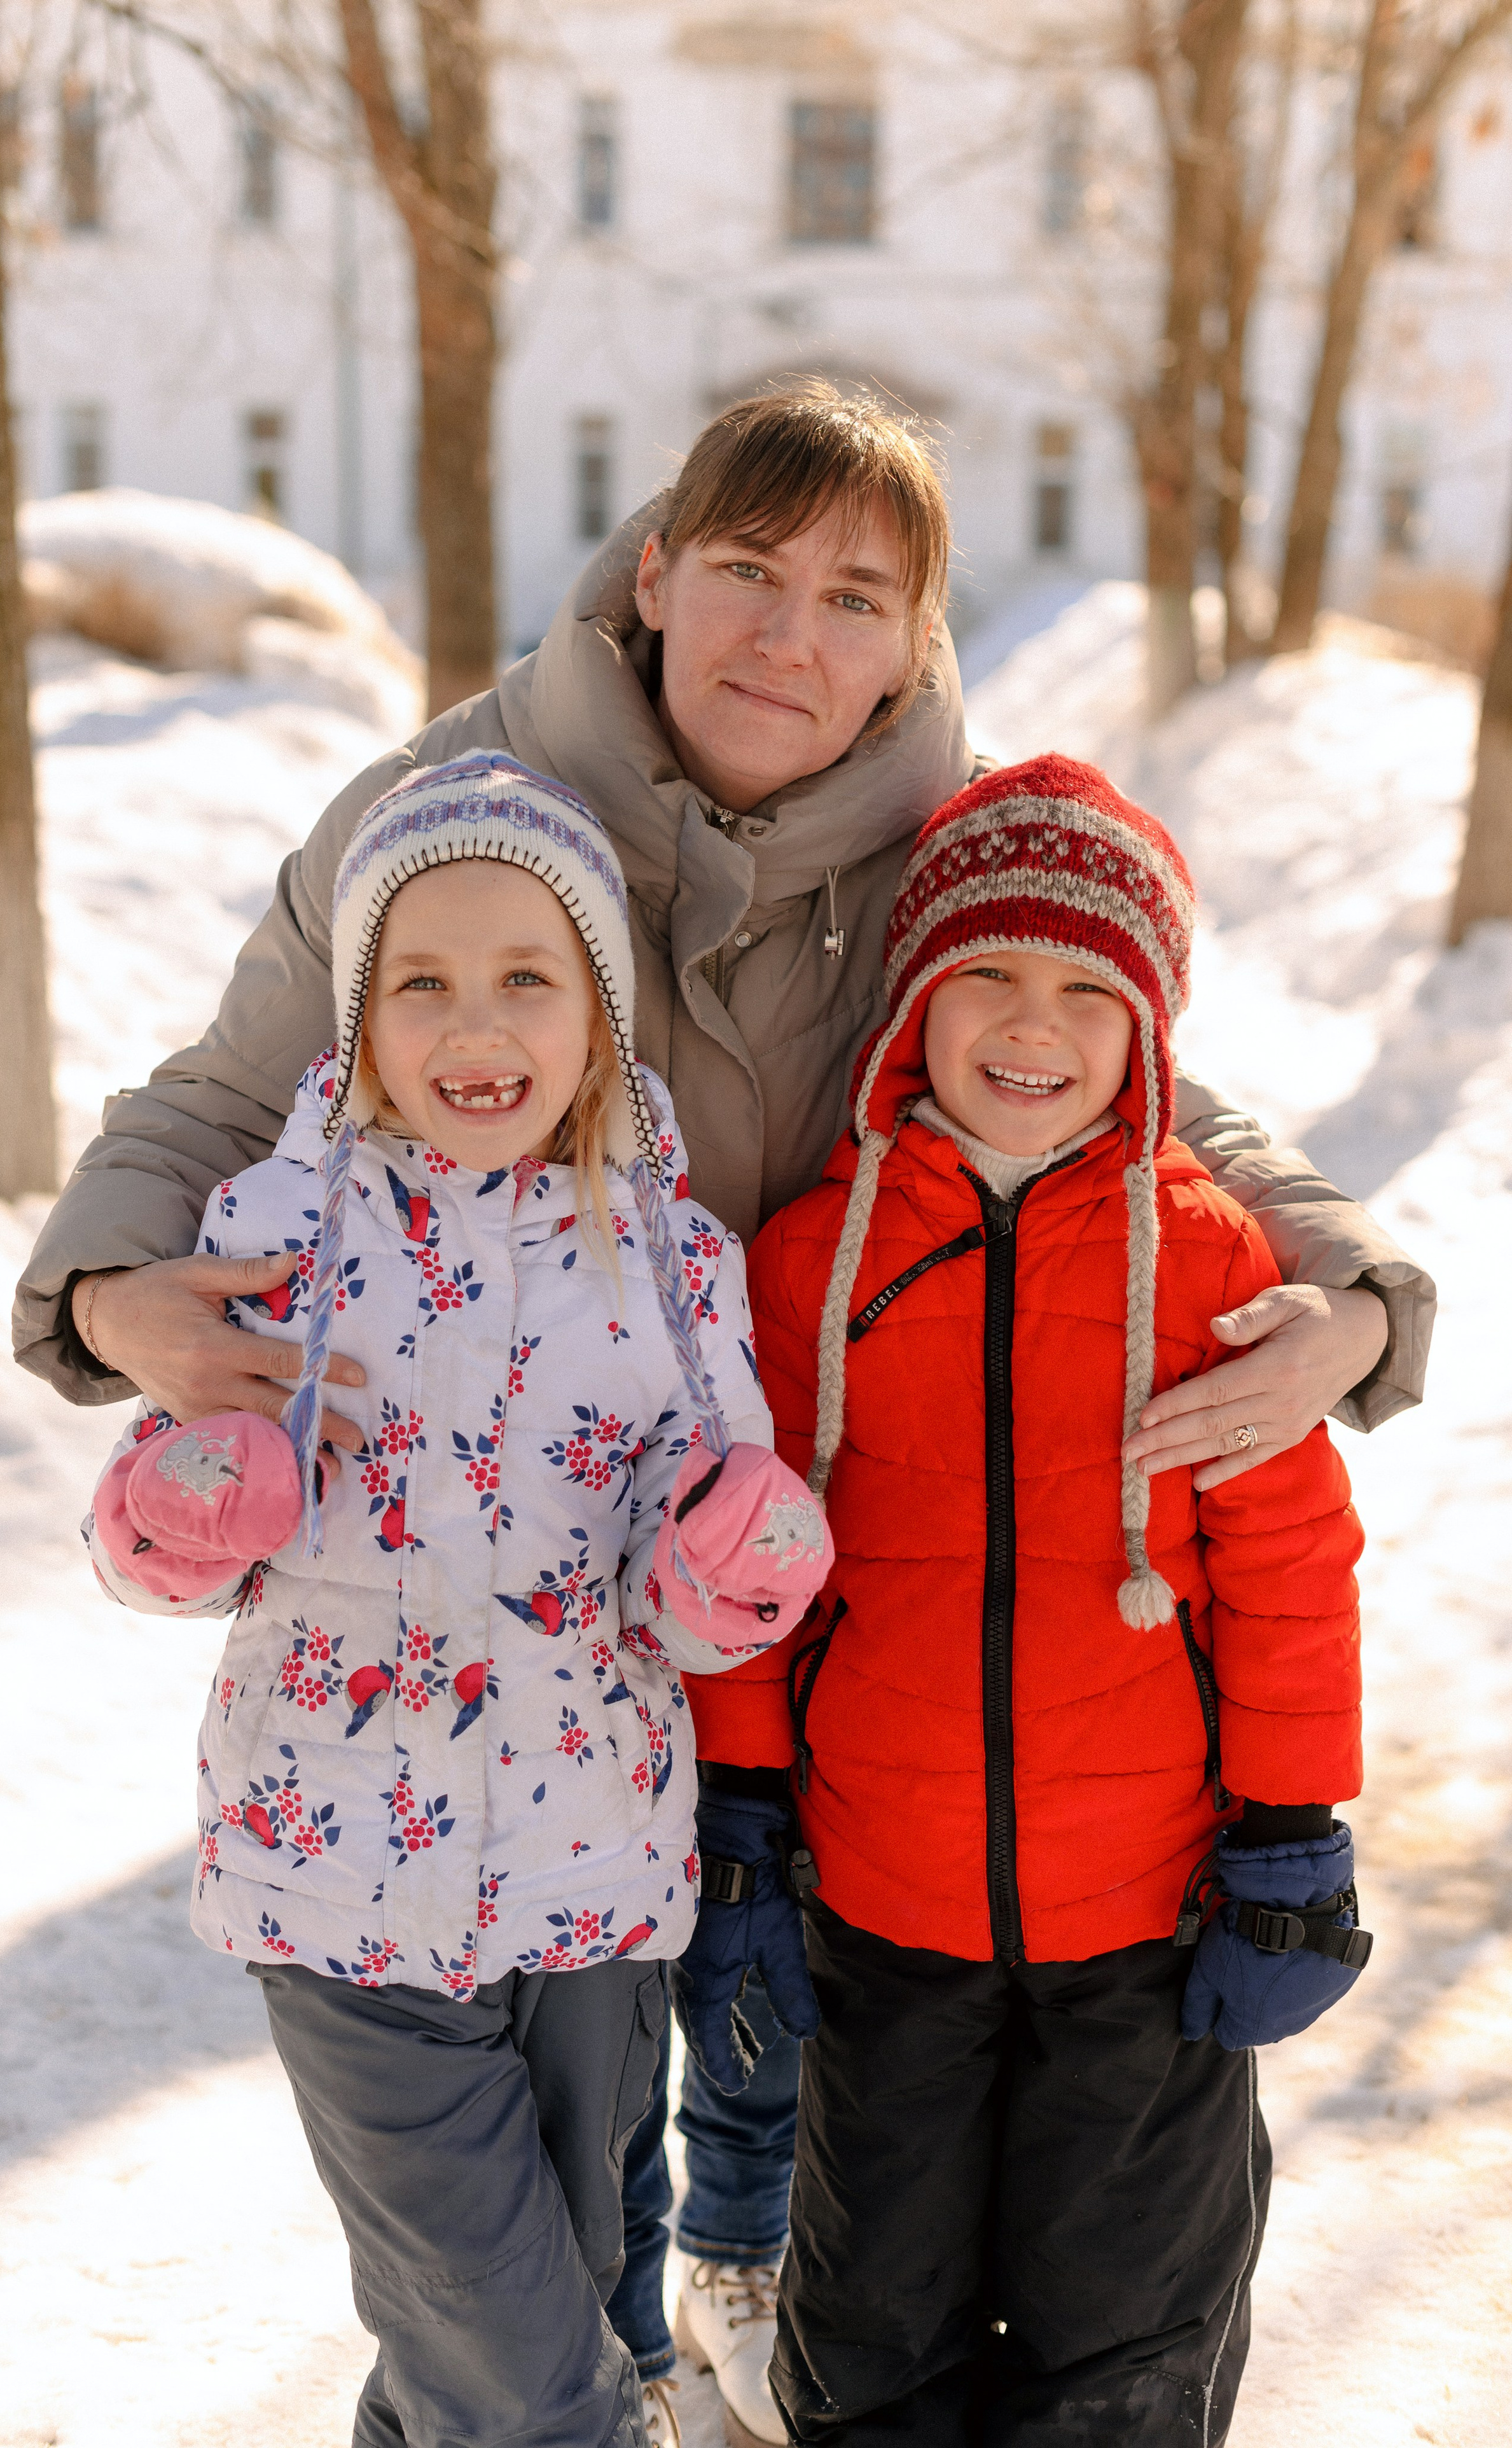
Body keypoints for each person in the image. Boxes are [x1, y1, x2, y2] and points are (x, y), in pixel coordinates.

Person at [15, 387, 1428, 2442]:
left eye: (857, 596)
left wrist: (1352, 1294)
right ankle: (589, 2374)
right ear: (659, 574)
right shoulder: (459, 815)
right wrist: (99, 1291)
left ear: (915, 639)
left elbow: (1130, 1079)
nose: (791, 635)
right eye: (752, 572)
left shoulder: (948, 843)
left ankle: (728, 2290)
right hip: (527, 1532)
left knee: (763, 2028)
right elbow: (229, 1093)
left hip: (806, 1529)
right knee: (562, 2164)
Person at [83, 754, 833, 2448]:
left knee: (507, 2319)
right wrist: (186, 1506)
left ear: (600, 1014)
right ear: (359, 1019)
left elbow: (694, 1560)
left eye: (524, 979)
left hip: (592, 1874)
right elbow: (145, 1543)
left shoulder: (674, 1258)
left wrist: (732, 1563)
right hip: (334, 1875)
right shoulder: (274, 1235)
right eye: (421, 983)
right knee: (526, 2376)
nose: (474, 1026)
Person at [688, 754, 1370, 2446]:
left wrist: (1292, 1832)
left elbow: (1287, 1568)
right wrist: (744, 1811)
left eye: (1087, 989)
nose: (1031, 1023)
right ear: (912, 999)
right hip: (881, 1907)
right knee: (875, 2326)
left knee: (1121, 2337)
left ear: (1150, 1031)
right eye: (985, 970)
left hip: (1153, 1917)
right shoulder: (810, 1262)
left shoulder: (1213, 1263)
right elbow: (754, 1564)